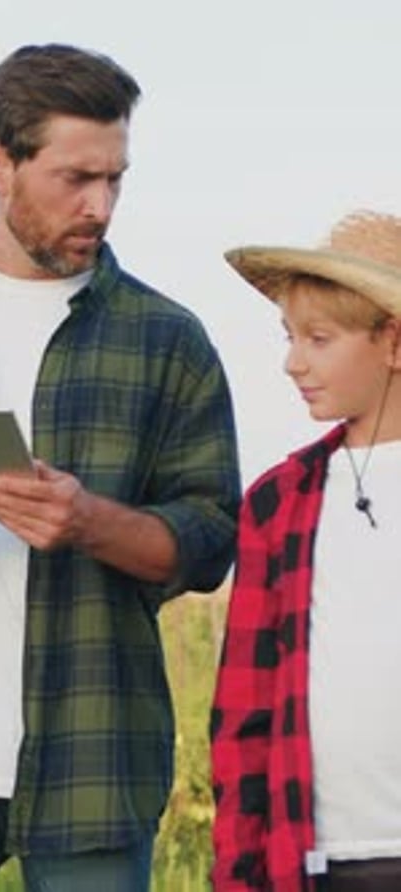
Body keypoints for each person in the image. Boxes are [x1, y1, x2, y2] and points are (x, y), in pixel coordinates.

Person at [0, 44, 240, 892]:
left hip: (93, 770)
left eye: (116, 178)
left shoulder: (169, 341)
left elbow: (209, 545)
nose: (101, 205)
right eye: (75, 177)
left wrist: (91, 522)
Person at [210, 210, 401, 892]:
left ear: (393, 342)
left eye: (319, 339)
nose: (293, 362)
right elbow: (245, 714)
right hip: (322, 858)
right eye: (290, 337)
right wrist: (237, 873)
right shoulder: (278, 502)